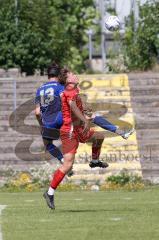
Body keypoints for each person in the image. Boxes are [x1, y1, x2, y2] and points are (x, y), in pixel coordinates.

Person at [43, 70, 134, 209]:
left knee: (99, 137)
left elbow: (77, 103)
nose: (75, 74)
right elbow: (73, 106)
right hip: (70, 132)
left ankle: (95, 161)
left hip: (78, 129)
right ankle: (49, 193)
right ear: (68, 80)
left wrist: (85, 108)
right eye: (72, 74)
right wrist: (84, 120)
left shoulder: (74, 89)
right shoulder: (69, 91)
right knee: (67, 165)